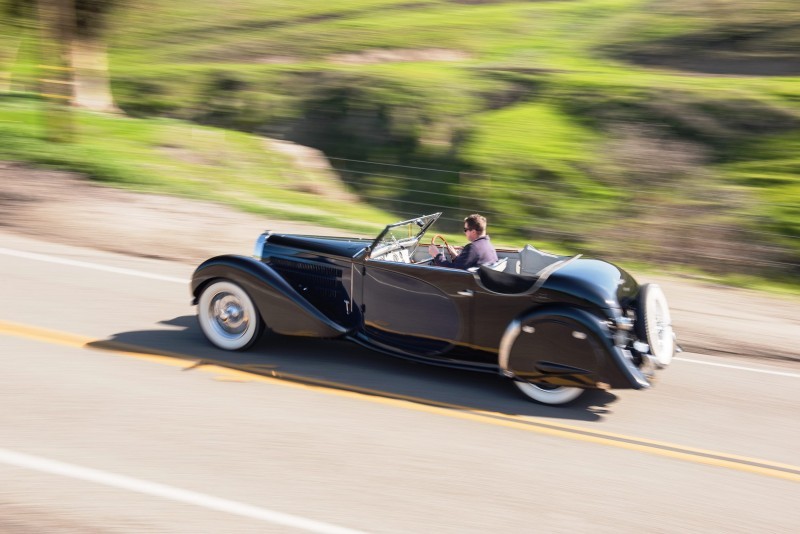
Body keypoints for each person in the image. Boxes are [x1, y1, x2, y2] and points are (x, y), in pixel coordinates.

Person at [428, 213, 498, 270]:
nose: (464, 232)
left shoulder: (472, 248)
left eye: (465, 229)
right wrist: (456, 257)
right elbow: (465, 265)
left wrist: (437, 255)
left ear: (473, 232)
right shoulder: (488, 245)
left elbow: (454, 271)